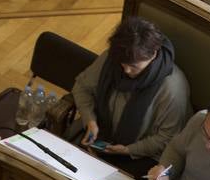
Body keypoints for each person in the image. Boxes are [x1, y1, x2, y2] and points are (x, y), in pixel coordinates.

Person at [71, 17, 191, 170]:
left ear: (153, 54)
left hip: (143, 157)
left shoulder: (172, 88)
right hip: (101, 139)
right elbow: (82, 87)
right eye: (123, 64)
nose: (126, 70)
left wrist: (129, 150)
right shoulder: (114, 58)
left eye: (133, 66)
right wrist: (90, 120)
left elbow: (167, 138)